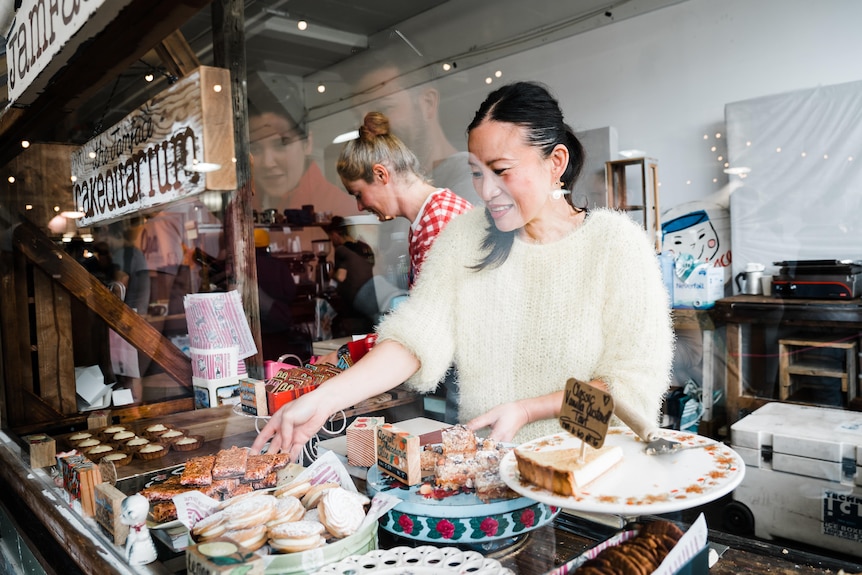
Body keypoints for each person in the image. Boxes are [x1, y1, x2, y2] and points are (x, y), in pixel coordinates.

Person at [252, 82, 673, 459]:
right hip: (490, 476)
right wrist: (323, 399)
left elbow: (628, 390)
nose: (487, 191)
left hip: (590, 482)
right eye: (476, 172)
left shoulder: (615, 245)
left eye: (502, 170)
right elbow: (416, 338)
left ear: (556, 162)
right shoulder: (465, 237)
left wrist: (527, 411)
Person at [336, 111, 473, 290]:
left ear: (381, 174)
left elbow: (435, 311)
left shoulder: (438, 218)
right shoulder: (427, 217)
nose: (360, 207)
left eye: (358, 194)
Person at [248, 71, 359, 217]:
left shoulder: (342, 210)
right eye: (255, 148)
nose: (268, 163)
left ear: (307, 143)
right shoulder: (243, 205)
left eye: (282, 144)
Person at [323, 216, 378, 334]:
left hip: (355, 302)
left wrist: (331, 274)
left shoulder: (341, 250)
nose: (332, 241)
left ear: (335, 234)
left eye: (331, 237)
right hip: (374, 297)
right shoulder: (364, 246)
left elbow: (341, 276)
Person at [98, 219, 150, 315]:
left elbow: (118, 288)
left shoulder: (123, 254)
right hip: (138, 312)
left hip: (128, 314)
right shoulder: (134, 252)